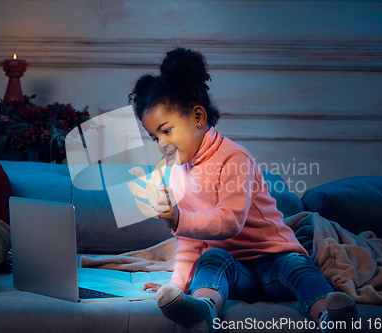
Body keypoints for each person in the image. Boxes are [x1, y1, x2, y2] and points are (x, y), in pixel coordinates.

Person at [128, 47, 358, 333]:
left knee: (297, 265)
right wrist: (176, 286)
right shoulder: (176, 173)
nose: (162, 143)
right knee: (211, 259)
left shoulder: (235, 159)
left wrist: (178, 218)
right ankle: (202, 309)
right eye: (154, 138)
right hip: (235, 272)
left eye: (167, 130)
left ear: (198, 117)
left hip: (274, 259)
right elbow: (190, 239)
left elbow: (231, 221)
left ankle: (329, 315)